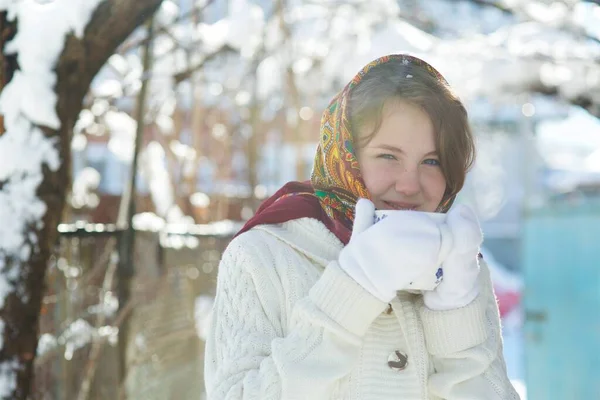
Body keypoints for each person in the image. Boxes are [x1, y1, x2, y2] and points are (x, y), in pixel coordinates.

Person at [204, 54, 519, 399]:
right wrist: (353, 287)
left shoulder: (460, 268)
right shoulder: (262, 257)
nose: (410, 185)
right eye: (389, 156)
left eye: (433, 161)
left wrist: (457, 320)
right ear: (345, 154)